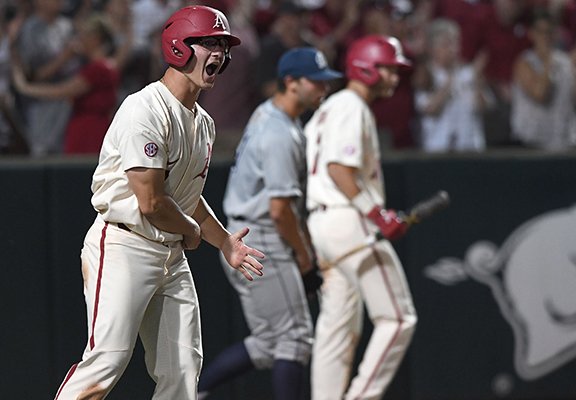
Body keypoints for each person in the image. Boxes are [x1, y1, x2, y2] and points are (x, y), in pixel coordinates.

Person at [53, 6, 264, 400]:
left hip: (170, 255)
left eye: (222, 45)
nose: (218, 53)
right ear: (179, 47)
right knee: (106, 363)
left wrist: (225, 243)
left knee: (182, 371)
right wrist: (191, 230)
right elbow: (151, 201)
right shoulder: (145, 108)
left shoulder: (203, 121)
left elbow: (188, 199)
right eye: (207, 43)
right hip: (125, 244)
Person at [197, 47, 342, 400]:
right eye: (315, 81)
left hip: (245, 235)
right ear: (290, 83)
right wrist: (305, 259)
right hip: (262, 237)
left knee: (270, 343)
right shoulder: (280, 133)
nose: (323, 89)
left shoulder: (269, 115)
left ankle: (196, 390)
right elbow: (280, 210)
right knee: (293, 340)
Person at [304, 34, 418, 400]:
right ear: (366, 65)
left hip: (319, 221)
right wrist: (378, 214)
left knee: (337, 326)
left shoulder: (328, 107)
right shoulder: (351, 105)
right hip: (345, 220)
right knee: (398, 318)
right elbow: (339, 168)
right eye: (388, 68)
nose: (394, 77)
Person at [12, 14, 120, 155]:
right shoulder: (101, 65)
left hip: (89, 133)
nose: (79, 40)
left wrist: (25, 88)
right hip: (86, 128)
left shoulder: (99, 69)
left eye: (84, 35)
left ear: (96, 38)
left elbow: (61, 91)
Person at [511, 10, 576, 150]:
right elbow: (540, 94)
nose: (546, 37)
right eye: (541, 32)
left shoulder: (567, 62)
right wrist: (548, 62)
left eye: (550, 32)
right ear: (532, 33)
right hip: (533, 145)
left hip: (566, 143)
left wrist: (574, 68)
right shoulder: (525, 63)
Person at [413, 18, 493, 152]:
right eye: (446, 44)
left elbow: (485, 108)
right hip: (438, 151)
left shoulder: (469, 73)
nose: (453, 49)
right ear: (433, 48)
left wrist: (478, 82)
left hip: (471, 149)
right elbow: (429, 109)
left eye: (455, 43)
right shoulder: (426, 75)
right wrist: (449, 81)